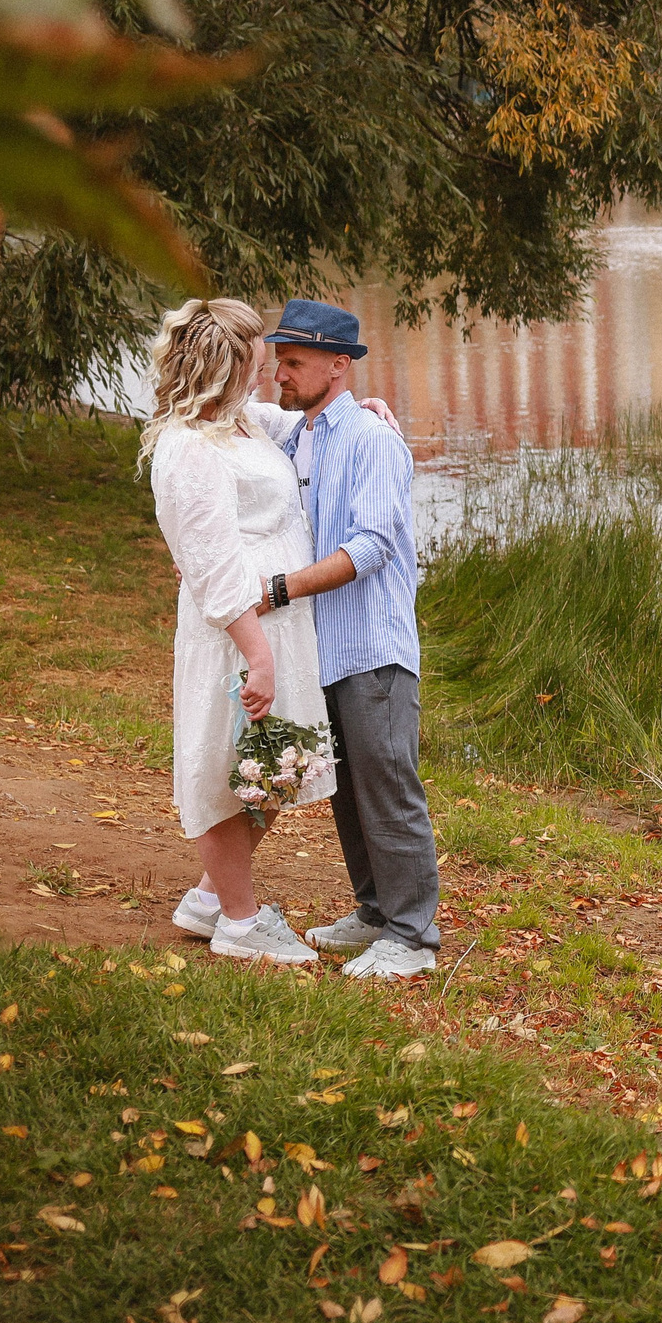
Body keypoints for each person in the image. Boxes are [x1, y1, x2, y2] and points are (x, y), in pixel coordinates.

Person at [252, 299, 442, 979]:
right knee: (345, 788)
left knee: (388, 786)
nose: (281, 372)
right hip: (323, 649)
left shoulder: (371, 439)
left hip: (372, 647)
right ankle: (374, 914)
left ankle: (413, 936)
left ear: (339, 365)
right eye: (279, 360)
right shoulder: (299, 436)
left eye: (294, 361)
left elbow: (373, 544)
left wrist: (281, 588)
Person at [145, 299, 334, 964]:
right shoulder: (189, 450)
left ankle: (208, 897)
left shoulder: (239, 423)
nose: (266, 377)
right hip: (238, 632)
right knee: (230, 773)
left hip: (277, 626)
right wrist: (257, 654)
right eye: (256, 366)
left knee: (275, 768)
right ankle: (239, 922)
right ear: (224, 373)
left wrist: (348, 415)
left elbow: (294, 422)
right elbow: (216, 568)